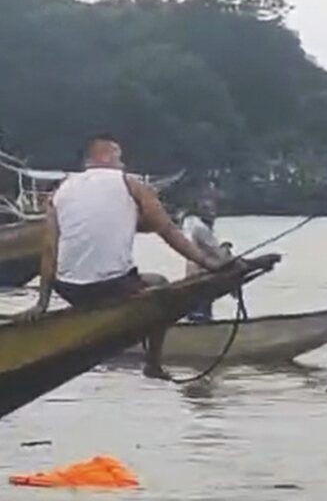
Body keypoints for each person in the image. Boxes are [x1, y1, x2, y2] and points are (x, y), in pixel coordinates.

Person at [18, 134, 224, 380]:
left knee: (125, 286)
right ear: (104, 156)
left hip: (69, 289)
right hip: (111, 286)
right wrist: (210, 264)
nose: (123, 164)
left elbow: (50, 249)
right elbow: (168, 231)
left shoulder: (61, 191)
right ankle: (153, 364)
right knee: (160, 285)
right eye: (119, 158)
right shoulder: (130, 184)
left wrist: (42, 303)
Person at [180, 192, 234, 322]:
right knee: (201, 310)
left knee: (197, 309)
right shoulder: (199, 226)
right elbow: (218, 252)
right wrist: (226, 249)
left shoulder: (189, 223)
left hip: (194, 276)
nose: (213, 212)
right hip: (201, 277)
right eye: (208, 209)